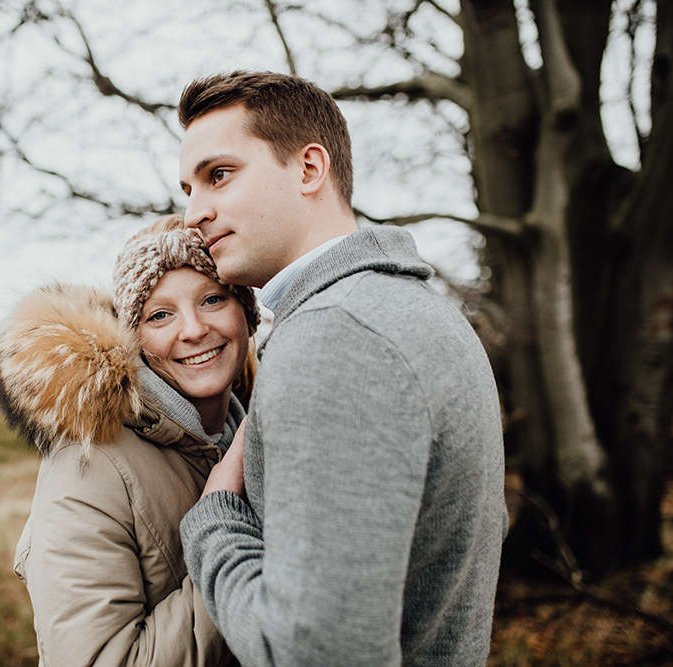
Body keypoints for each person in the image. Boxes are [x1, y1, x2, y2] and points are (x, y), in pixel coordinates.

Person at [176, 71, 508, 665]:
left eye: (218, 175)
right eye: (187, 189)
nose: (194, 213)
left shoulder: (339, 338)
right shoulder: (420, 312)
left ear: (309, 169)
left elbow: (314, 652)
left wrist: (213, 526)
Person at [0, 214, 258, 666]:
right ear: (134, 339)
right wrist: (235, 534)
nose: (193, 329)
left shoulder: (254, 426)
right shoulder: (88, 466)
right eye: (160, 314)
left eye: (213, 299)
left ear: (246, 313)